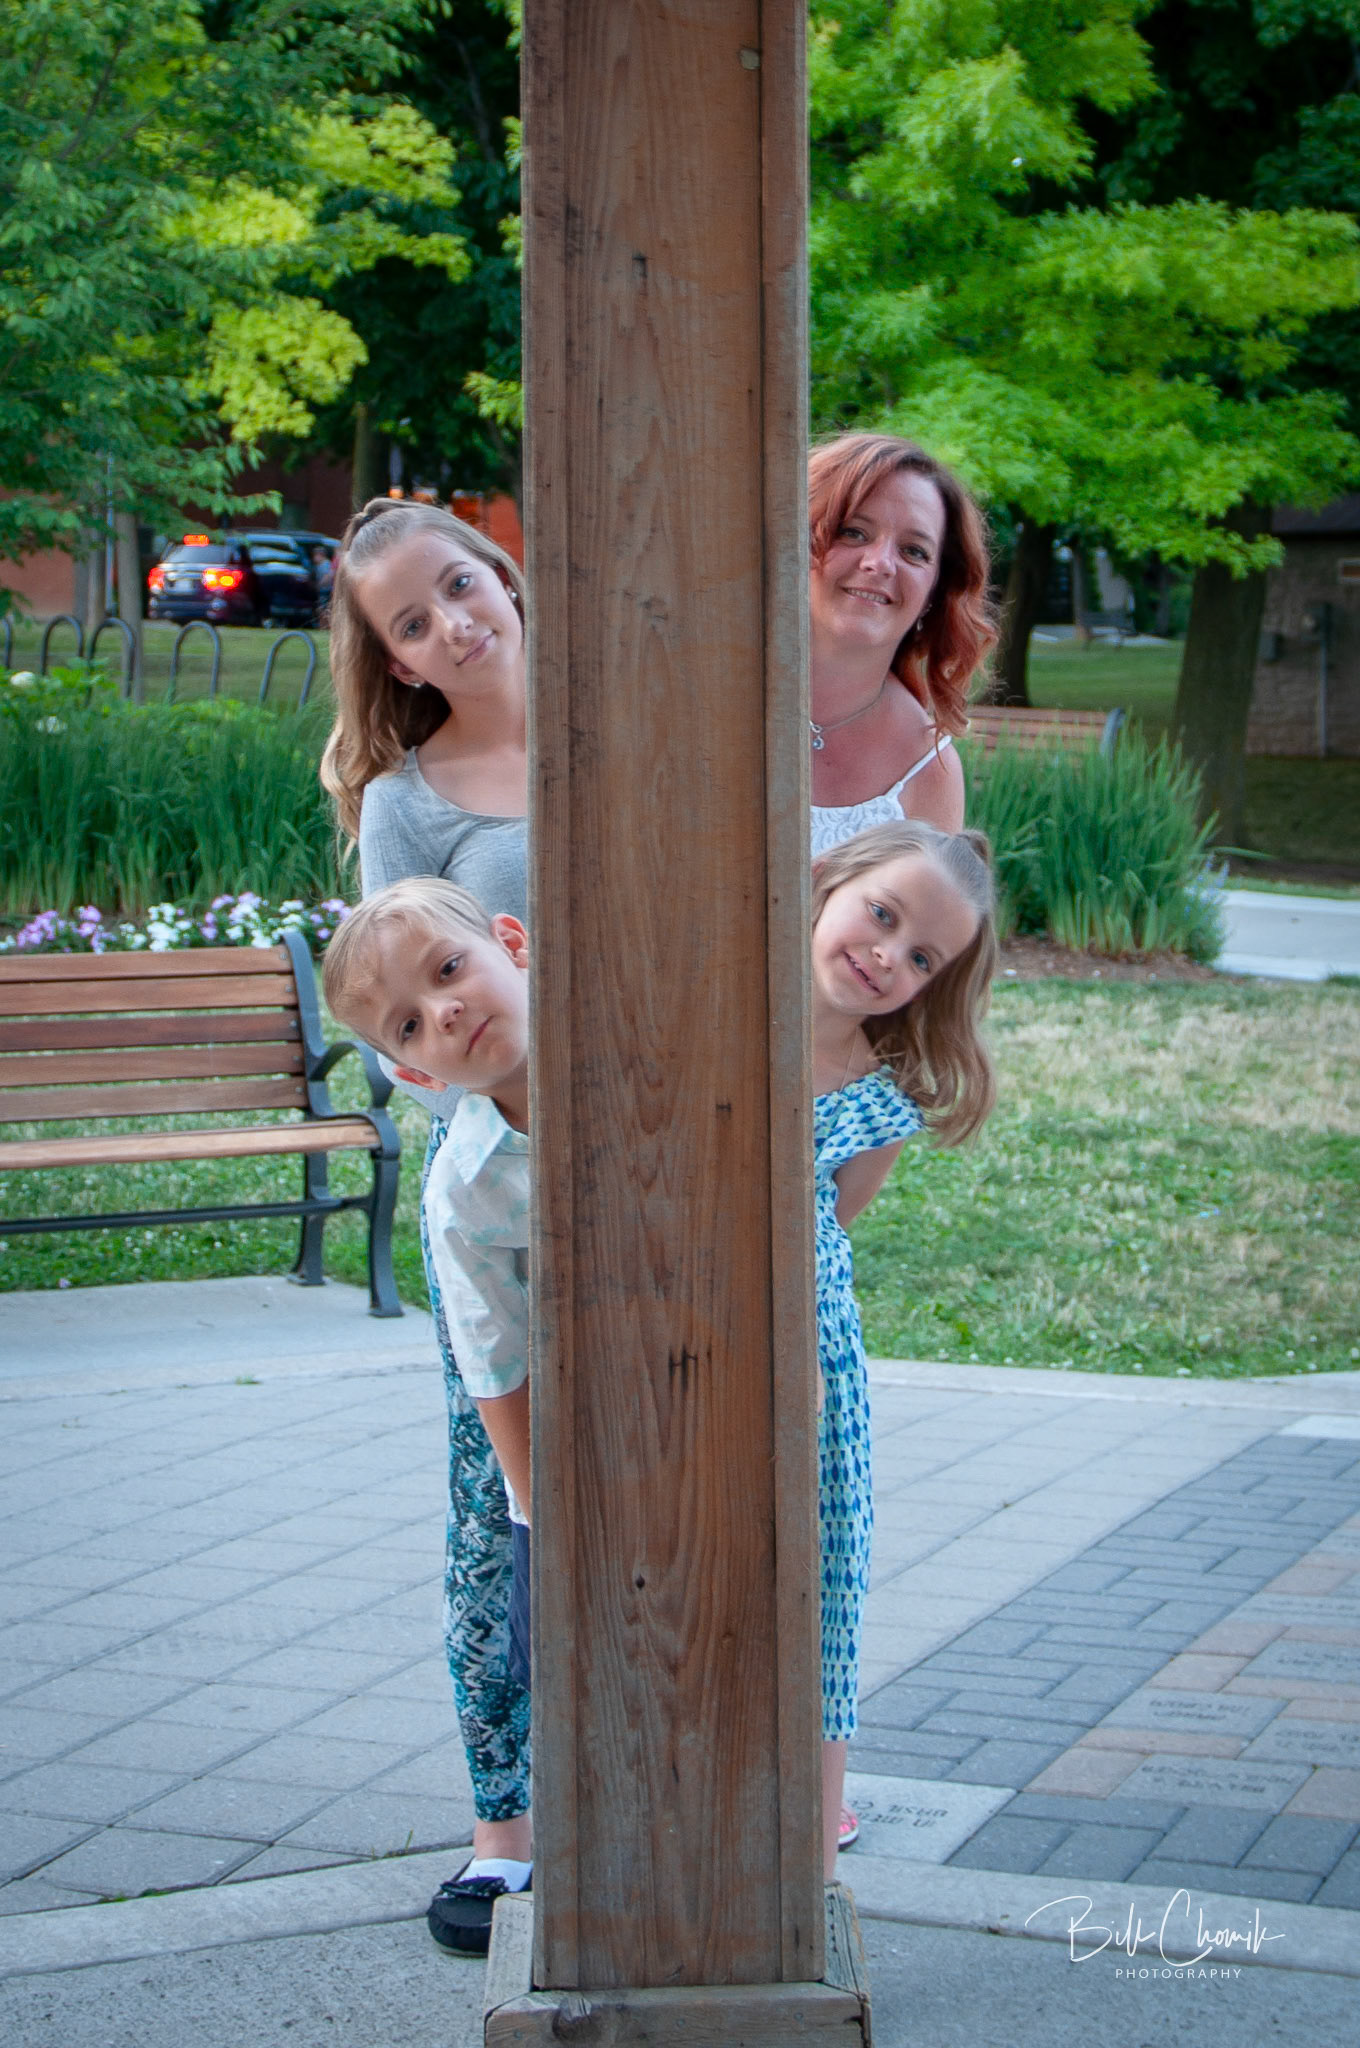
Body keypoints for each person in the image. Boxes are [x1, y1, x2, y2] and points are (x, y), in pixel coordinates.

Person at [320, 500, 530, 1955]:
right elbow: (404, 990)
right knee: (501, 1514)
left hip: (657, 1170)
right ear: (394, 662)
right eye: (414, 620)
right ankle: (504, 1834)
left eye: (462, 585)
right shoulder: (413, 801)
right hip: (506, 1199)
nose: (453, 621)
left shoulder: (630, 716)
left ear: (502, 575)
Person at [808, 819, 997, 1876]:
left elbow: (834, 1225)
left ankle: (818, 1813)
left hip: (816, 1362)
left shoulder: (877, 1102)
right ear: (831, 878)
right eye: (882, 913)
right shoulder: (723, 1002)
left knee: (825, 1570)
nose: (888, 953)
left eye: (920, 955)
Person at [809, 433, 996, 856]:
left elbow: (924, 925)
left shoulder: (930, 770)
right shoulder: (707, 693)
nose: (879, 563)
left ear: (936, 590)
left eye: (914, 551)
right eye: (853, 532)